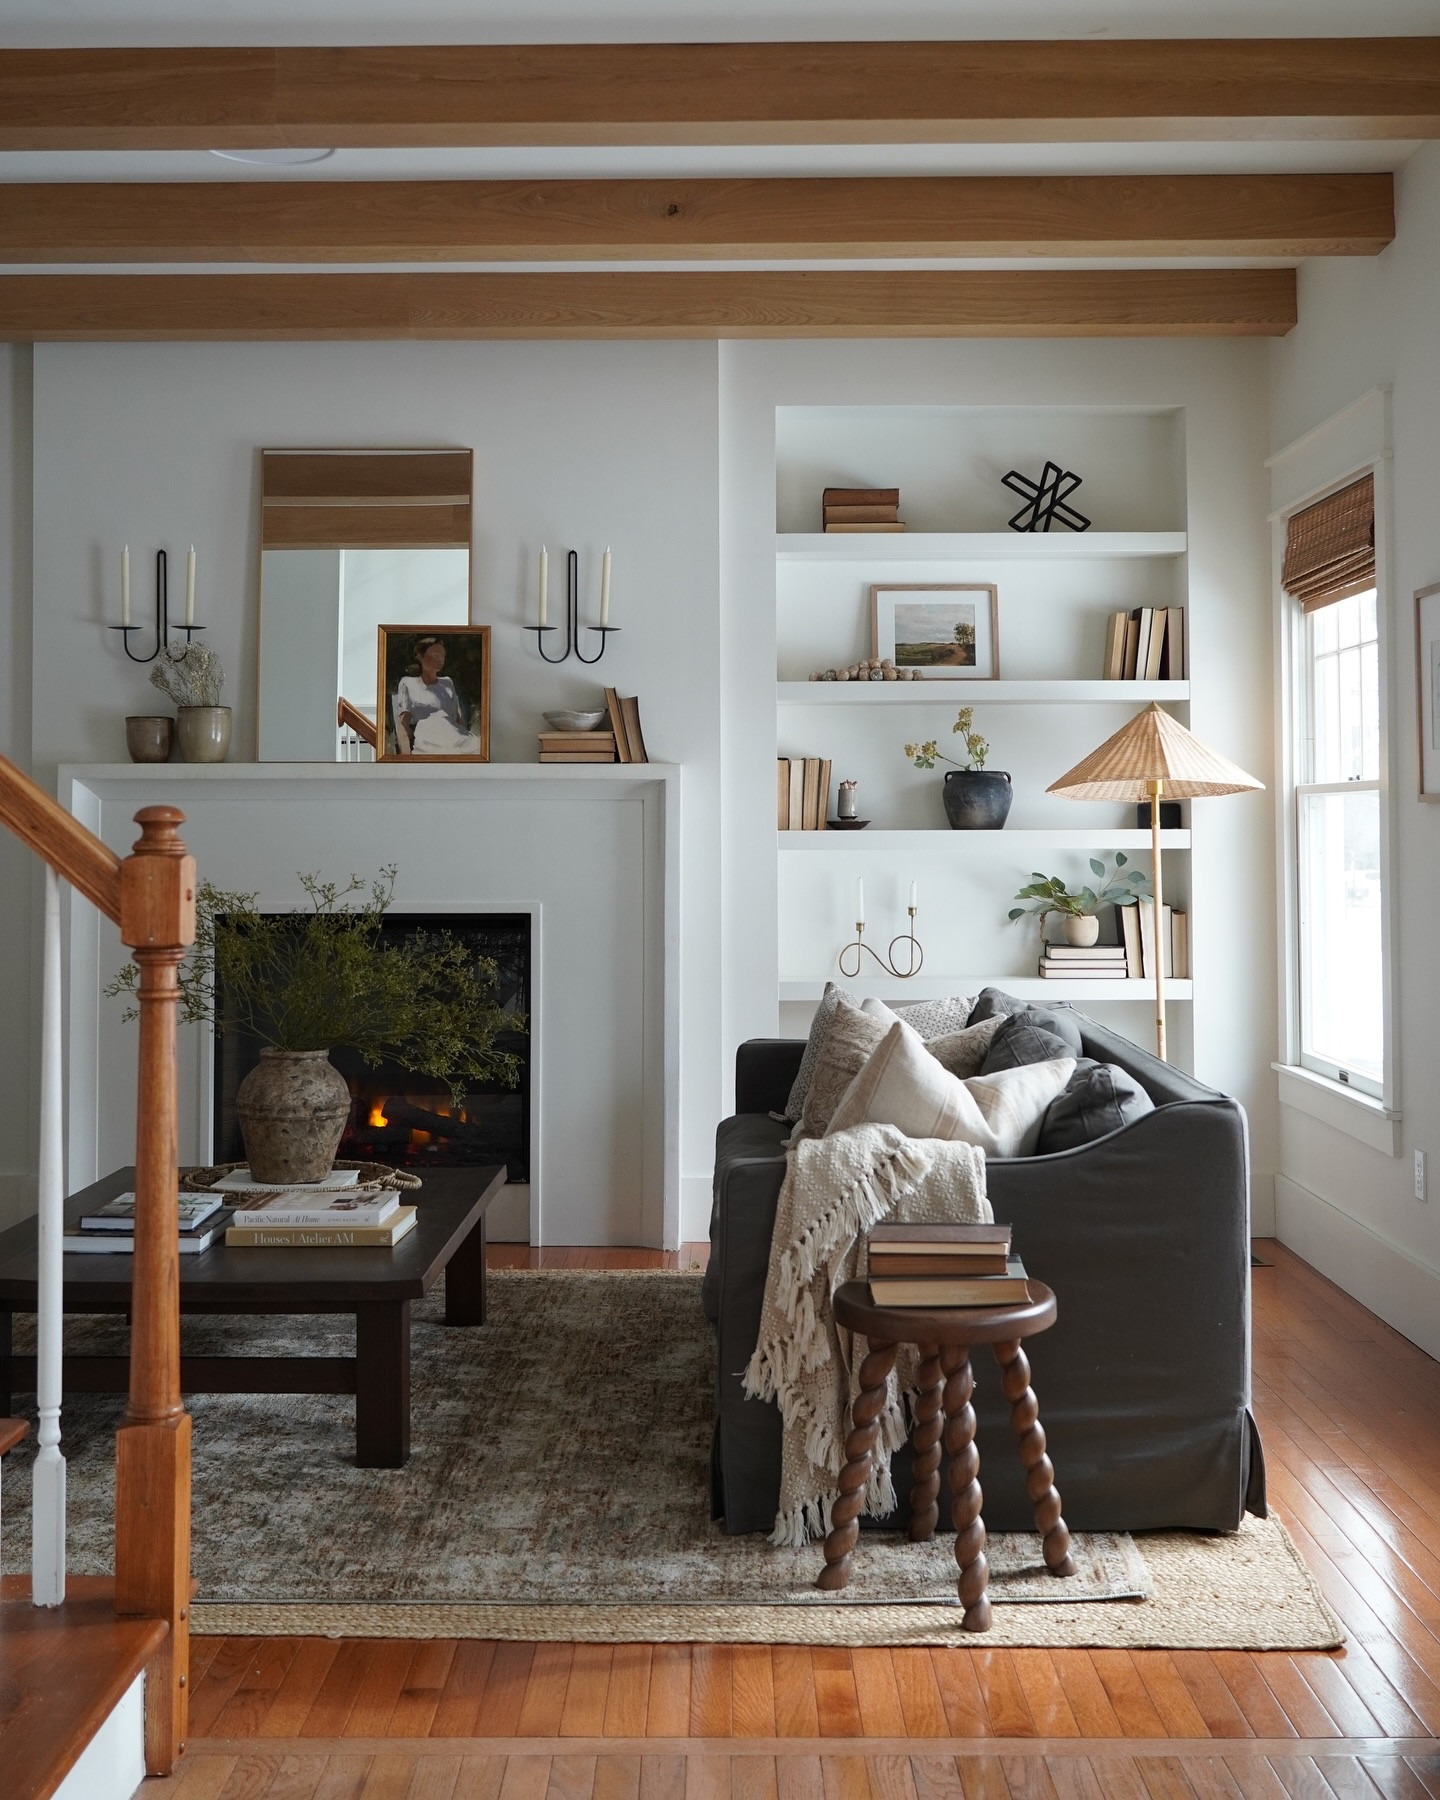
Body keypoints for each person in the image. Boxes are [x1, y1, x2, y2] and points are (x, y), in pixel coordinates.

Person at [393, 636, 481, 756]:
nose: (440, 659)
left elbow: (457, 719)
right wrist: (406, 757)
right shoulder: (408, 683)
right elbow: (403, 725)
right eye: (435, 655)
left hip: (455, 735)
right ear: (420, 656)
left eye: (442, 655)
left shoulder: (447, 683)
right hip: (428, 738)